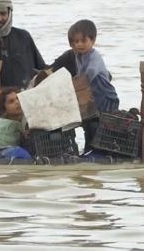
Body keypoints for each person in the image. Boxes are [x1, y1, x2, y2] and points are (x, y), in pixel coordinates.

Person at [49, 19, 119, 152]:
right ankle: (89, 148)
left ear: (92, 40)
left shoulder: (94, 56)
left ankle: (99, 150)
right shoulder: (78, 56)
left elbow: (89, 75)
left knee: (99, 125)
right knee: (88, 123)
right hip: (91, 95)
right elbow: (81, 75)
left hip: (105, 96)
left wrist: (74, 84)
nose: (79, 44)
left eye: (83, 41)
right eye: (75, 42)